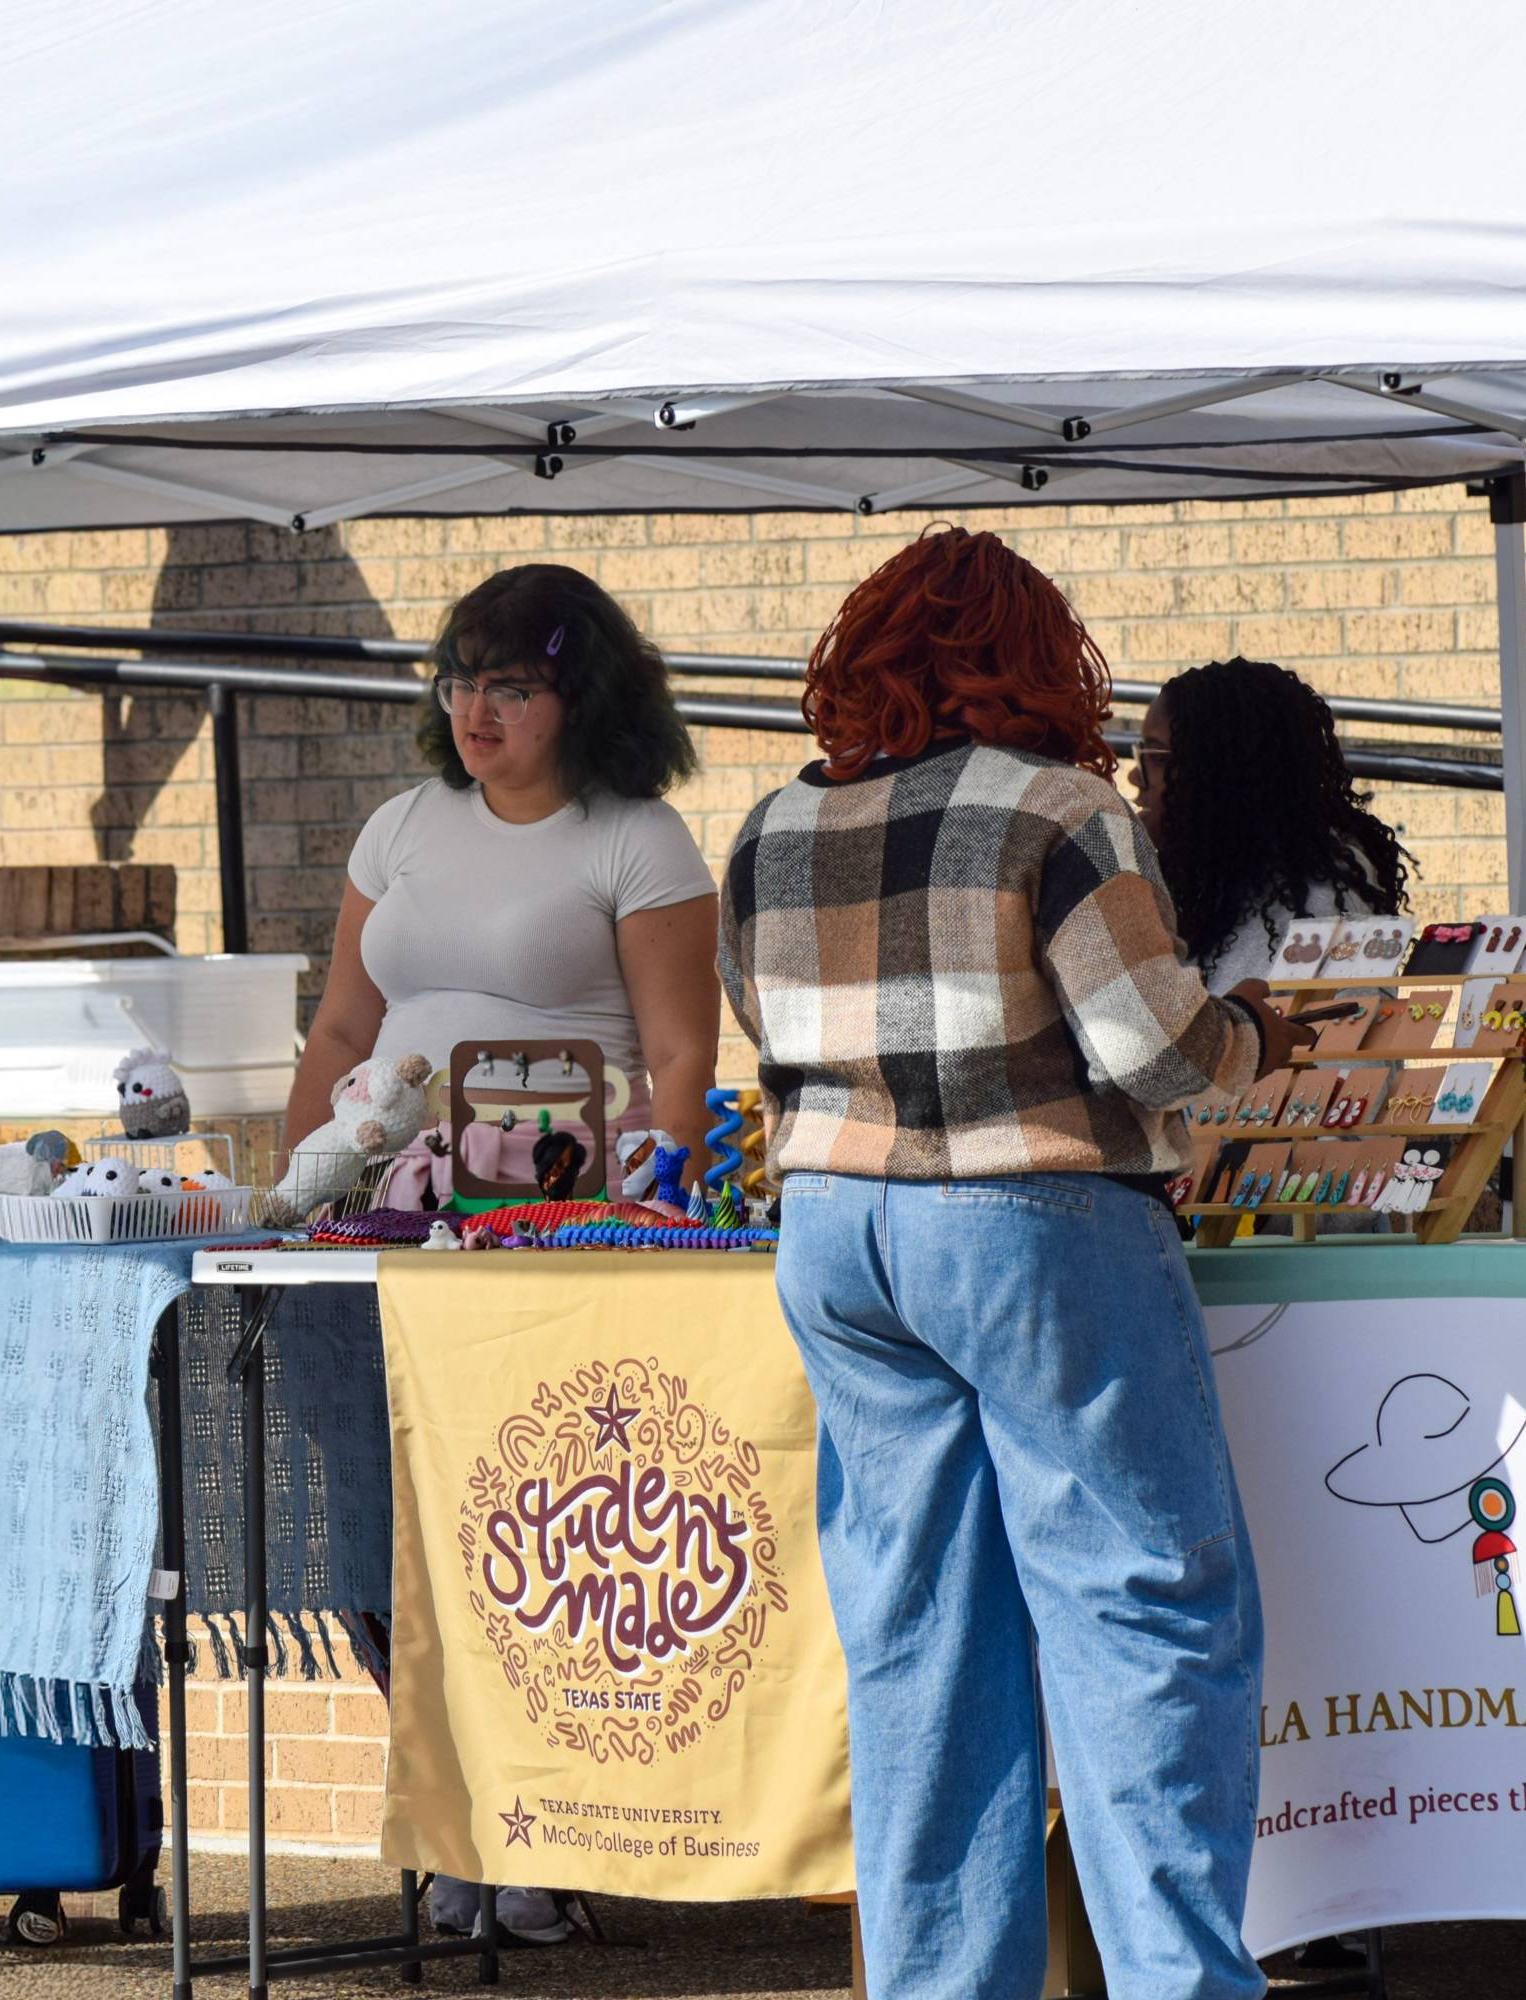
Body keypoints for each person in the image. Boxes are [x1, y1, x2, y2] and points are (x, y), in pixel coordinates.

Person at [720, 526, 1308, 1999]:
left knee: (919, 1636)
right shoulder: (1060, 809)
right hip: (1032, 1218)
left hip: (837, 1229)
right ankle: (1178, 1982)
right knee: (1141, 1611)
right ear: (1046, 661)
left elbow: (762, 1023)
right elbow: (1153, 1048)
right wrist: (1255, 1039)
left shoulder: (771, 825)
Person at [281, 563, 720, 1943]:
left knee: (524, 1527)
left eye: (511, 685)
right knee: (374, 1518)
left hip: (553, 1236)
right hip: (382, 1218)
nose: (476, 710)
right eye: (460, 681)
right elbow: (343, 1037)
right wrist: (300, 1188)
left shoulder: (636, 840)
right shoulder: (401, 825)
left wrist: (646, 1213)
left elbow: (678, 1056)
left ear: (579, 695)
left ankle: (535, 1826)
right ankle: (463, 1810)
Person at [1133, 654, 1413, 985]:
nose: (1136, 776)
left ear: (1223, 776)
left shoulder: (1316, 908)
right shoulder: (1210, 884)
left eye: (1156, 758)